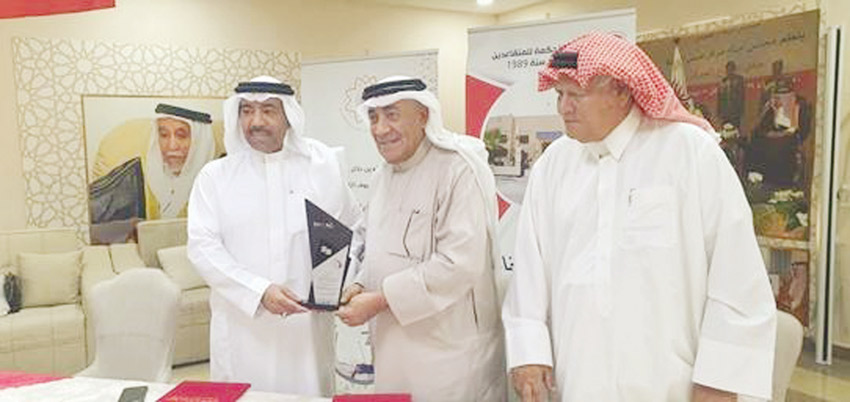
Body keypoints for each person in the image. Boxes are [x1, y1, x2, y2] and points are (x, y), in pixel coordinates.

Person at [502, 33, 776, 401]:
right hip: (578, 377)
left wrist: (720, 381)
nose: (564, 108)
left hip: (671, 383)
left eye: (576, 95)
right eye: (559, 95)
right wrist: (529, 352)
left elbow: (736, 274)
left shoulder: (689, 152)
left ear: (621, 91)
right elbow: (530, 268)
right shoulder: (554, 164)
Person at [336, 76, 507, 402]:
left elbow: (458, 264)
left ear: (423, 115)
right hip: (392, 345)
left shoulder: (457, 169)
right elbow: (375, 245)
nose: (380, 129)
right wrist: (358, 283)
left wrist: (379, 300)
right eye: (373, 117)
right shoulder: (382, 176)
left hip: (448, 353)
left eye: (392, 115)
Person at [187, 76, 361, 395]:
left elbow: (351, 231)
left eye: (268, 110)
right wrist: (259, 291)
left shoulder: (321, 167)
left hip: (305, 329)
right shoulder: (215, 177)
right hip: (242, 325)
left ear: (288, 117)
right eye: (247, 111)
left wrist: (344, 285)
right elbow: (202, 248)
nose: (256, 121)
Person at [717, 61, 745, 129]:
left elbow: (741, 95)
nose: (729, 72)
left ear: (734, 70)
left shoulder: (739, 79)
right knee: (725, 129)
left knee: (735, 129)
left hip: (735, 111)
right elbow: (720, 97)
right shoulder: (723, 81)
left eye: (731, 69)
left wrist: (732, 86)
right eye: (728, 70)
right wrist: (719, 111)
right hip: (725, 112)